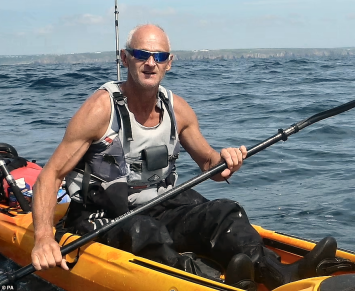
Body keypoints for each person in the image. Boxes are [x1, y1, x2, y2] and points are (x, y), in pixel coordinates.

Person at [31, 24, 337, 290]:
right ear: (125, 58)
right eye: (142, 54)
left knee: (224, 212)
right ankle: (206, 282)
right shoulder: (100, 110)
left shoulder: (178, 110)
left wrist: (226, 159)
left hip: (161, 206)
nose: (151, 62)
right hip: (104, 216)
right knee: (142, 230)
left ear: (169, 63)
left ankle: (277, 273)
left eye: (160, 56)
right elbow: (51, 176)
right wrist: (44, 237)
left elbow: (210, 164)